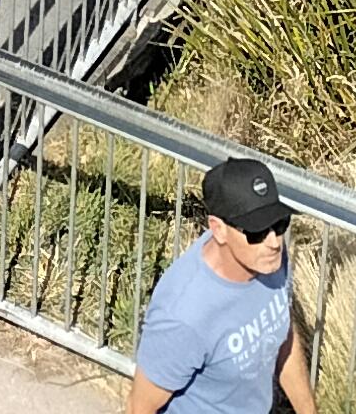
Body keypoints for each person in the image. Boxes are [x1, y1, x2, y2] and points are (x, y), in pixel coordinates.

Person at [128, 154, 313, 414]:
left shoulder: (271, 261)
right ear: (218, 229)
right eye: (256, 231)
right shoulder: (183, 316)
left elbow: (283, 335)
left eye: (279, 224)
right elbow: (140, 408)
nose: (273, 242)